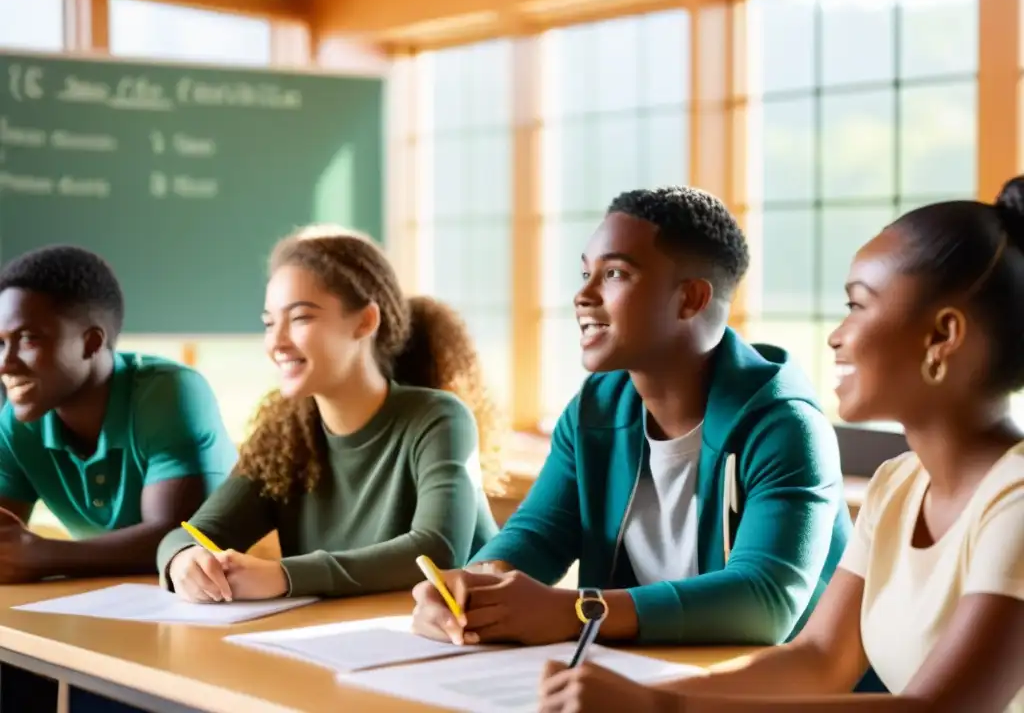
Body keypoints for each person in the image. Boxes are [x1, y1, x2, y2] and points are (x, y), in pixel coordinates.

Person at [537, 184, 1024, 712]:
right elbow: (819, 659)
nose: (837, 336)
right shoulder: (899, 485)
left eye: (857, 306)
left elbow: (941, 708)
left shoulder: (1015, 500)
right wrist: (639, 698)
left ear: (942, 336)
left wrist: (661, 709)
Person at [412, 186, 852, 649]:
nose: (582, 295)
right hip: (646, 677)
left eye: (615, 273)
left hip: (776, 691)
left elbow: (765, 602)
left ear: (691, 299)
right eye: (586, 272)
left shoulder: (785, 427)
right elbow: (539, 535)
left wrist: (576, 612)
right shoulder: (594, 409)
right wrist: (477, 588)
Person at [157, 225, 500, 601]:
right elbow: (194, 534)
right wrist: (183, 559)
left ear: (366, 321)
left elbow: (436, 551)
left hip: (460, 644)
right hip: (340, 645)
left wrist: (283, 576)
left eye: (301, 318)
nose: (277, 342)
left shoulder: (439, 419)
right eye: (270, 323)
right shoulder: (283, 434)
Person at [0, 245, 236, 713]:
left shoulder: (170, 392)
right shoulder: (17, 420)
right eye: (0, 342)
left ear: (90, 342)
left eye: (27, 339)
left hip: (209, 617)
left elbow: (179, 539)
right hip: (107, 617)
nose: (6, 363)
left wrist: (42, 554)